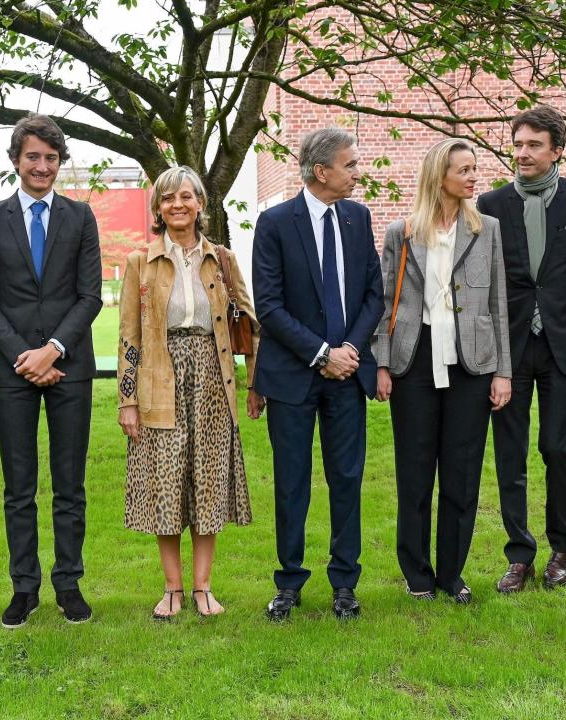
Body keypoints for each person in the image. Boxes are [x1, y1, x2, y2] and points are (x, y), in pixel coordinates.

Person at [0, 115, 102, 627]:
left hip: (70, 367)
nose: (42, 166)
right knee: (18, 486)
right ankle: (23, 587)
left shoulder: (81, 216)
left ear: (59, 162)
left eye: (51, 158)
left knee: (70, 484)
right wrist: (24, 356)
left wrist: (53, 349)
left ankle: (68, 583)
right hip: (12, 371)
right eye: (33, 157)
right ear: (15, 161)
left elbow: (90, 295)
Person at [117, 165, 264, 619]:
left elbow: (250, 325)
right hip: (158, 379)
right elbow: (128, 337)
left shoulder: (221, 258)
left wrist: (255, 385)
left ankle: (203, 588)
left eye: (186, 196)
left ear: (200, 203)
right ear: (158, 208)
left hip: (212, 382)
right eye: (167, 198)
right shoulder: (141, 261)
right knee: (166, 484)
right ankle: (172, 588)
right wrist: (128, 400)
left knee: (207, 480)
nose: (177, 205)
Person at [252, 128, 384, 621]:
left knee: (346, 479)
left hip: (348, 374)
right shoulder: (274, 223)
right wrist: (321, 353)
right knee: (292, 482)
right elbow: (268, 305)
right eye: (351, 165)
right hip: (292, 376)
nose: (357, 173)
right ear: (321, 171)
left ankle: (345, 584)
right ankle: (288, 584)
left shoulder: (358, 217)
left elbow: (373, 291)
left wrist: (349, 349)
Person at [373, 139, 512, 604]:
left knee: (462, 472)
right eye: (465, 169)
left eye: (475, 168)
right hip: (414, 359)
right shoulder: (401, 232)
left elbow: (498, 303)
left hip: (473, 363)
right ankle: (417, 575)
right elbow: (384, 302)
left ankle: (452, 575)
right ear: (440, 176)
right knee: (414, 473)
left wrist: (502, 372)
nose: (475, 177)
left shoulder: (486, 228)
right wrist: (383, 363)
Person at [477, 106, 566, 592]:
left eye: (533, 145)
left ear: (557, 151)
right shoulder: (489, 204)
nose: (522, 153)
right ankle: (519, 554)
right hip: (509, 348)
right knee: (510, 451)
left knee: (557, 447)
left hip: (563, 345)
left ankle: (561, 548)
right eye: (518, 144)